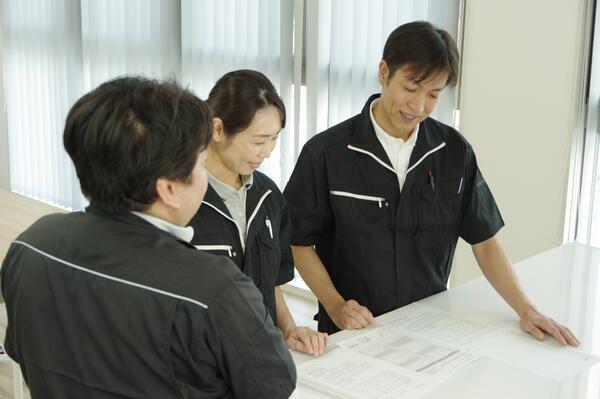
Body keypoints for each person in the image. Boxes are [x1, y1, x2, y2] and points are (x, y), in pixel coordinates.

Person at [283, 20, 580, 348]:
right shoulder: (327, 153)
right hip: (351, 332)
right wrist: (337, 306)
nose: (419, 106)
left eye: (434, 94)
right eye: (410, 88)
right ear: (384, 73)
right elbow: (298, 242)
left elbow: (485, 242)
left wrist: (527, 309)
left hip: (427, 332)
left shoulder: (453, 151)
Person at [1, 76, 296, 398]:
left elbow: (26, 358)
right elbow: (273, 385)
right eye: (200, 165)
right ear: (169, 189)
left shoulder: (32, 245)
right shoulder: (213, 286)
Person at [188, 69, 328, 357]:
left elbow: (270, 281)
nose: (267, 152)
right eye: (258, 140)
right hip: (201, 366)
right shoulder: (180, 200)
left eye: (274, 139)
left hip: (257, 360)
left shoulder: (268, 196)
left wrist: (289, 329)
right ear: (217, 130)